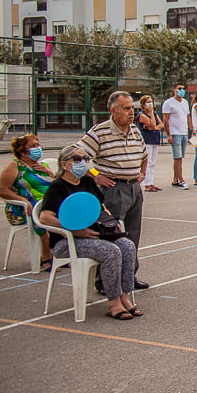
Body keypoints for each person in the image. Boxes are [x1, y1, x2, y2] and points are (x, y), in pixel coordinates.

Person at [38, 145, 142, 320]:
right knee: (110, 251)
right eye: (77, 160)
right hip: (67, 241)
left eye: (85, 159)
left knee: (127, 245)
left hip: (94, 233)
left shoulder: (87, 182)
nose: (83, 163)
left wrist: (109, 223)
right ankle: (113, 302)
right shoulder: (58, 187)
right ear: (65, 165)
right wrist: (74, 230)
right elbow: (44, 217)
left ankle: (124, 295)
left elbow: (99, 207)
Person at [79, 91, 149, 291]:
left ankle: (128, 276)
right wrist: (95, 175)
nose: (130, 113)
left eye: (132, 108)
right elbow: (77, 156)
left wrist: (141, 173)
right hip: (113, 189)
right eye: (126, 109)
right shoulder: (99, 132)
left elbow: (144, 155)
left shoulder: (135, 131)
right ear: (113, 110)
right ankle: (105, 281)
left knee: (132, 235)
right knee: (111, 235)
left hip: (133, 187)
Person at [0, 134, 55, 270]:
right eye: (33, 146)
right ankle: (46, 257)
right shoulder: (14, 166)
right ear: (22, 151)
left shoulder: (42, 166)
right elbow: (2, 190)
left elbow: (56, 185)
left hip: (47, 203)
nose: (38, 148)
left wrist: (50, 173)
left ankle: (62, 253)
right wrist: (23, 200)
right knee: (41, 210)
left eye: (38, 144)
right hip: (23, 208)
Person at [162, 83, 192, 190]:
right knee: (177, 158)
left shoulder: (185, 102)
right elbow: (165, 119)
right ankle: (181, 180)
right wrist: (168, 134)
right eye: (180, 89)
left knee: (180, 158)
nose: (182, 90)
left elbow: (188, 116)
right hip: (175, 133)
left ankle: (175, 179)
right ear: (174, 90)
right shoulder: (168, 103)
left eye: (183, 89)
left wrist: (191, 129)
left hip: (184, 133)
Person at [137, 94, 164, 192]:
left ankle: (151, 182)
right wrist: (151, 113)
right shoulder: (142, 115)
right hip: (147, 140)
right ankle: (146, 183)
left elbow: (161, 125)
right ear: (143, 104)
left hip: (154, 139)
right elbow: (152, 124)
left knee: (152, 162)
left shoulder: (155, 113)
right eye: (148, 102)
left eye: (151, 102)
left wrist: (154, 127)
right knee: (147, 162)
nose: (150, 104)